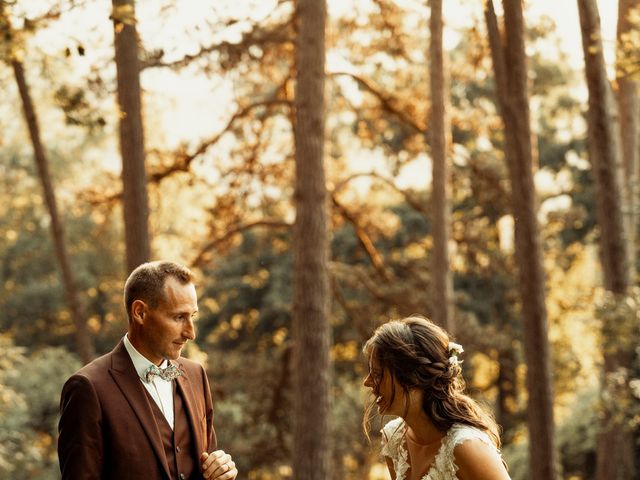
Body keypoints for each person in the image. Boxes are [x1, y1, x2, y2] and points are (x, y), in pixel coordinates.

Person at [58, 261, 238, 480]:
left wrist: (220, 472)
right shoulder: (88, 388)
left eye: (193, 316)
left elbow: (205, 465)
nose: (191, 333)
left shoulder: (196, 375)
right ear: (140, 313)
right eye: (179, 317)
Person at [363, 316, 511, 480]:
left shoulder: (467, 447)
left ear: (412, 378)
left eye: (377, 374)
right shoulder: (394, 439)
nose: (367, 382)